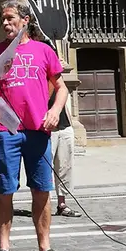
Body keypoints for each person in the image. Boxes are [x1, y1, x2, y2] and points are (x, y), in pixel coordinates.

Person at [0, 0, 72, 251]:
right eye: (3, 19)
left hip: (37, 131)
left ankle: (45, 249)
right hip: (6, 131)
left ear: (25, 21)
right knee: (4, 191)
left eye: (10, 18)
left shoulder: (43, 51)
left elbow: (61, 87)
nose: (5, 23)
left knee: (42, 190)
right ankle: (4, 250)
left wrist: (56, 111)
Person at [50, 89, 81, 218]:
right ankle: (43, 204)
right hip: (46, 128)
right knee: (43, 168)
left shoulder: (58, 78)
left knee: (65, 167)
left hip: (65, 126)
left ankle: (62, 204)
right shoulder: (37, 73)